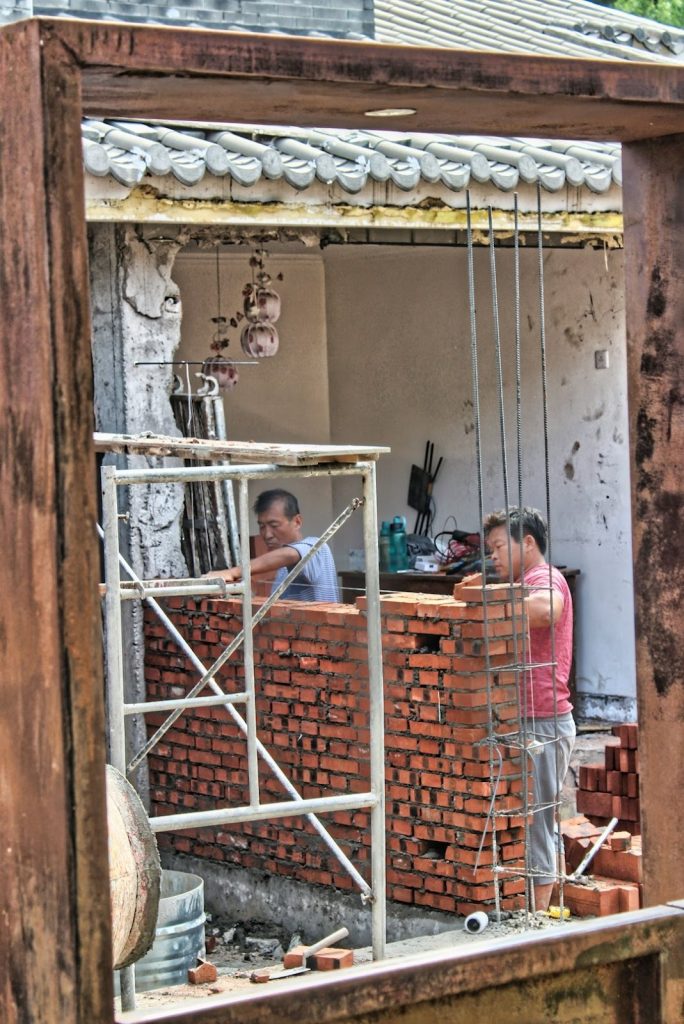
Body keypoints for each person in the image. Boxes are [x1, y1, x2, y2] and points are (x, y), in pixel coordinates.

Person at [483, 506, 575, 913]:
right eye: (490, 550)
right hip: (532, 720)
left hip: (544, 721)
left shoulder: (544, 578)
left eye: (499, 547)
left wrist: (484, 606)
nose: (493, 557)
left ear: (529, 543)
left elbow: (547, 609)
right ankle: (549, 910)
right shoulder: (522, 583)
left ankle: (536, 923)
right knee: (541, 820)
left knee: (536, 822)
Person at [207, 488, 340, 603]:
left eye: (274, 525)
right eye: (262, 526)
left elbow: (290, 554)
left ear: (297, 522)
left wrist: (232, 572)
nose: (267, 534)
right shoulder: (283, 570)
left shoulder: (316, 547)